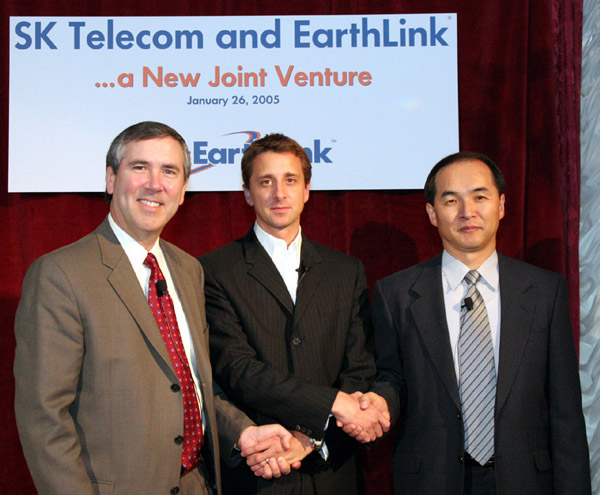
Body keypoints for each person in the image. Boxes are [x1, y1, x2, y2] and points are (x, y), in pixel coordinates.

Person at [14, 121, 297, 495]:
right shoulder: (60, 274)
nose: (154, 183)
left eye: (169, 171)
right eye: (139, 167)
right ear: (111, 179)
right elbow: (44, 418)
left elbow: (189, 384)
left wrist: (242, 431)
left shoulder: (188, 270)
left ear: (182, 191)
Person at [366, 151, 591, 495]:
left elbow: (566, 412)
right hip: (431, 480)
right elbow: (390, 378)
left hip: (525, 480)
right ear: (431, 213)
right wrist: (377, 403)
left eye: (480, 197)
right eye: (451, 200)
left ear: (501, 205)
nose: (467, 212)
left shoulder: (545, 291)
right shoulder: (394, 294)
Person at [199, 133, 390, 495]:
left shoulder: (344, 270)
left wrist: (311, 438)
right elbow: (238, 371)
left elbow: (360, 369)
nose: (278, 193)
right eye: (265, 181)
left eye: (290, 180)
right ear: (246, 192)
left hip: (335, 473)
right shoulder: (214, 270)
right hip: (259, 471)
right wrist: (332, 404)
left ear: (306, 190)